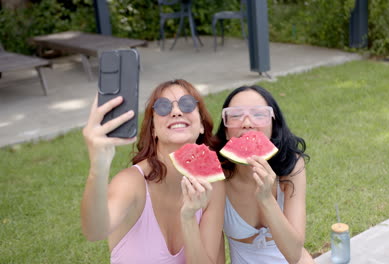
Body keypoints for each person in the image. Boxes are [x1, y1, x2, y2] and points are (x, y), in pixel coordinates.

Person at [80, 79, 225, 264]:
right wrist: (98, 167)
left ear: (202, 124)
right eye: (163, 107)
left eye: (187, 104)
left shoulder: (213, 184)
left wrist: (189, 218)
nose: (176, 112)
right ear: (154, 129)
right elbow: (94, 232)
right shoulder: (132, 182)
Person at [214, 85, 315, 264]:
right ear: (225, 128)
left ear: (273, 124)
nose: (247, 123)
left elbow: (294, 254)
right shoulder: (217, 175)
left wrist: (267, 198)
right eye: (235, 115)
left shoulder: (291, 166)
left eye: (259, 114)